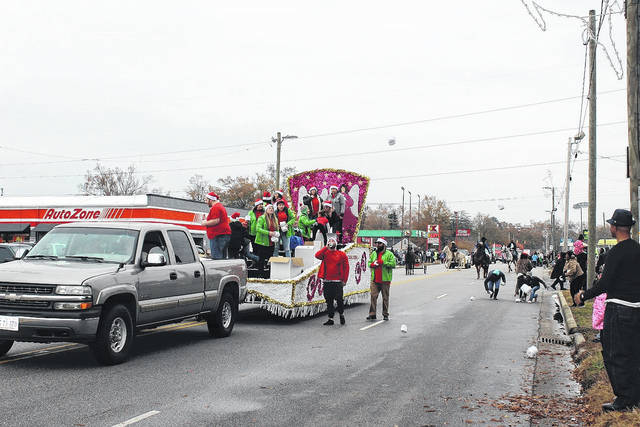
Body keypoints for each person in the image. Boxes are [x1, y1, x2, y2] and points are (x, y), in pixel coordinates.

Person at [575, 209, 640, 412]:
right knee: (634, 353)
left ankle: (623, 399)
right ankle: (635, 396)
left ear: (613, 227)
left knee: (615, 353)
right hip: (637, 309)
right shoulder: (638, 249)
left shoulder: (615, 253)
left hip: (618, 309)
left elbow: (605, 284)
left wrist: (583, 295)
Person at [316, 236, 349, 326]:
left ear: (335, 243)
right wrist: (325, 247)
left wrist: (344, 280)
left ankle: (341, 314)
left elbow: (346, 268)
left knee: (339, 299)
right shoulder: (325, 253)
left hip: (337, 281)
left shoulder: (341, 254)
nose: (331, 242)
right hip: (327, 281)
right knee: (329, 300)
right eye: (329, 241)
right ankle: (330, 318)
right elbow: (317, 255)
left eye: (332, 241)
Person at [367, 238, 396, 321]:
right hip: (375, 279)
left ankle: (385, 314)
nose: (377, 245)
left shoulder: (389, 254)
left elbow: (393, 264)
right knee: (373, 296)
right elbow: (369, 263)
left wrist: (384, 263)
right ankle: (372, 314)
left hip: (385, 280)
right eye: (377, 243)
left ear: (384, 245)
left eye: (379, 243)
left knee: (385, 298)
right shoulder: (373, 253)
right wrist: (373, 264)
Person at [201, 192, 231, 260]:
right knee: (222, 258)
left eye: (206, 200)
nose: (206, 202)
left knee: (216, 258)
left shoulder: (216, 207)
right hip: (223, 234)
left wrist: (204, 223)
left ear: (211, 200)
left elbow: (216, 220)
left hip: (217, 235)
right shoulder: (220, 206)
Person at [254, 204, 279, 278]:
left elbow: (276, 229)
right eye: (269, 208)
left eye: (272, 208)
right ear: (266, 210)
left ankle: (270, 274)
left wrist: (276, 234)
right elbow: (258, 229)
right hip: (262, 242)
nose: (271, 209)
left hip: (271, 242)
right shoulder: (262, 218)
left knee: (270, 259)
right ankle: (260, 274)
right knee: (261, 259)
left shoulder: (275, 219)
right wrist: (269, 233)